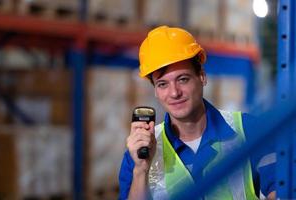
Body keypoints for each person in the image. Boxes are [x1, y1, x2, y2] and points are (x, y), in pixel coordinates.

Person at [118, 26, 276, 200]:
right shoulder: (140, 151)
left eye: (183, 79)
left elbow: (280, 188)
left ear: (202, 76)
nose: (174, 93)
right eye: (162, 84)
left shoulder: (248, 130)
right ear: (155, 90)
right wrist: (141, 170)